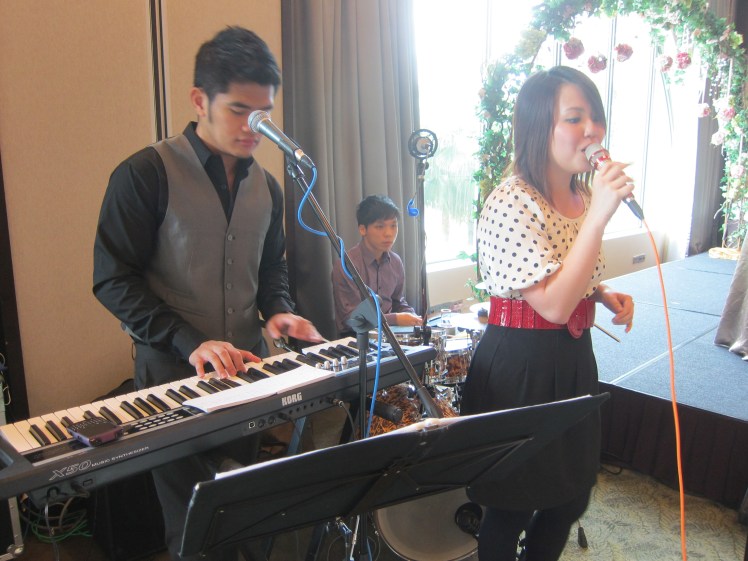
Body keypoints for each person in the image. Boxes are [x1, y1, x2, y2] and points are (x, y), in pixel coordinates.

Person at [93, 26, 323, 561]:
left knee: (243, 511)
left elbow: (271, 267)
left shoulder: (268, 187)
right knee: (193, 529)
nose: (253, 127)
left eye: (264, 114)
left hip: (247, 372)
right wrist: (188, 340)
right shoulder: (144, 174)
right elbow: (112, 279)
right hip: (169, 379)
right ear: (200, 101)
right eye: (240, 111)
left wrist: (280, 311)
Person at [460, 65, 635, 561]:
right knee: (512, 506)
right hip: (521, 367)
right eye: (575, 118)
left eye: (595, 118)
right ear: (540, 126)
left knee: (571, 497)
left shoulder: (582, 197)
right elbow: (554, 304)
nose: (592, 131)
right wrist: (599, 217)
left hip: (574, 359)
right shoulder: (511, 201)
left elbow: (566, 272)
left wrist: (600, 293)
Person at [331, 194, 422, 336]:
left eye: (393, 226)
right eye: (380, 227)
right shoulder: (347, 265)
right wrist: (396, 319)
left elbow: (397, 302)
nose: (389, 233)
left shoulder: (396, 262)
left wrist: (411, 315)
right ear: (363, 229)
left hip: (391, 336)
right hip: (356, 339)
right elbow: (352, 319)